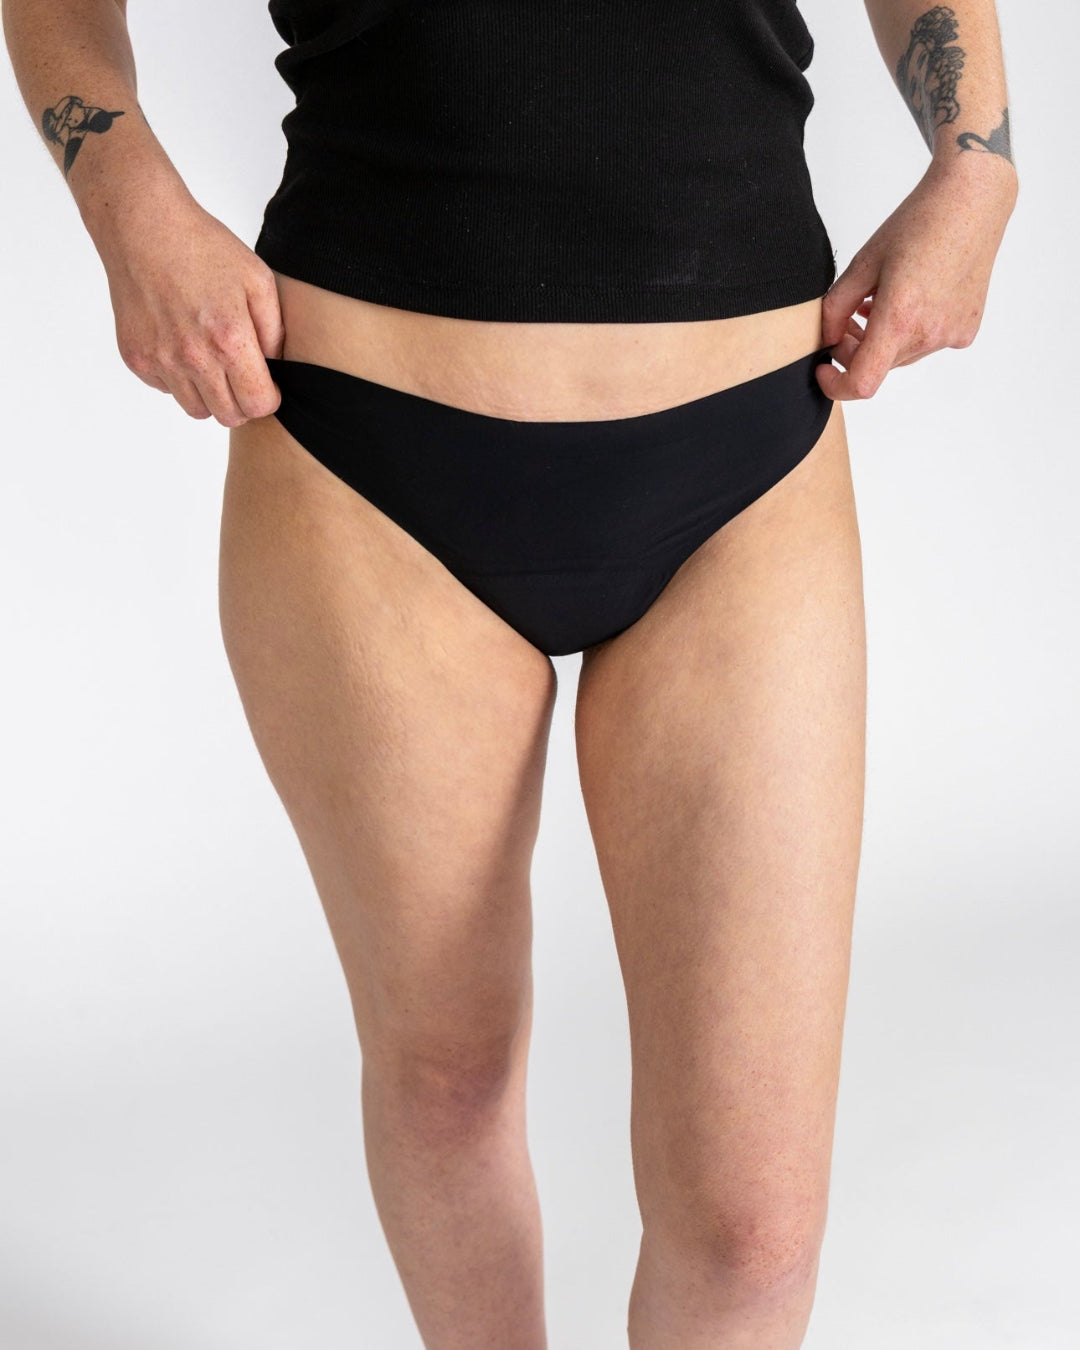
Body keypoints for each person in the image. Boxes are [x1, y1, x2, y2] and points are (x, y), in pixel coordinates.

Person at [6, 1, 1017, 1346]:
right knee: (447, 1085)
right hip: (367, 459)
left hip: (747, 465)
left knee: (755, 1226)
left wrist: (976, 160)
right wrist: (125, 197)